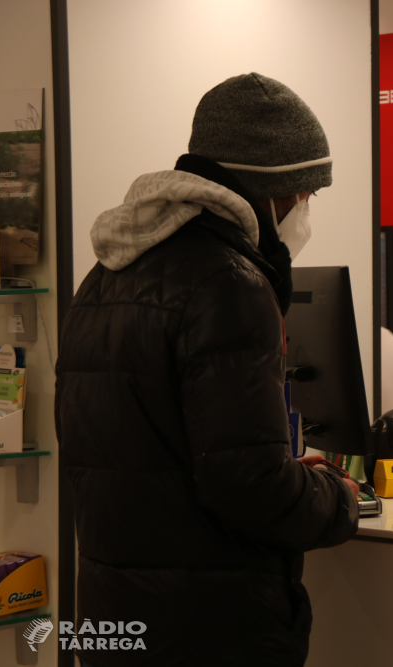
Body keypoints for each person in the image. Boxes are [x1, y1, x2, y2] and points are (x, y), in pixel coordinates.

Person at [56, 73, 359, 667]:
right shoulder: (230, 283)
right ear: (272, 190)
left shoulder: (107, 274)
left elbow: (146, 455)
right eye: (305, 193)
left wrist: (272, 465)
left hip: (112, 619)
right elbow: (248, 486)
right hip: (206, 628)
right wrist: (336, 497)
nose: (304, 211)